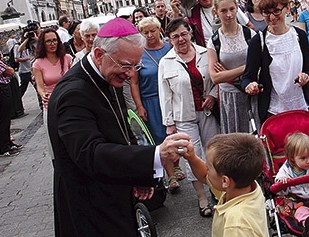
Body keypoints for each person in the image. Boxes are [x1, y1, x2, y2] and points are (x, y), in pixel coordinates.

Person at [47, 17, 192, 236]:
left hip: (114, 193)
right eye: (126, 65)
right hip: (89, 207)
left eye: (136, 65)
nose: (131, 74)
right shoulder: (73, 93)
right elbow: (90, 153)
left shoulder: (109, 74)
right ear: (99, 55)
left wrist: (139, 175)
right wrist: (154, 156)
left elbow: (122, 130)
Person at [158, 17, 220, 217]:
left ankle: (216, 191)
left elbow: (218, 79)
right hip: (183, 116)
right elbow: (165, 95)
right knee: (192, 155)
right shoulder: (165, 62)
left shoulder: (205, 52)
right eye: (175, 36)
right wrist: (169, 124)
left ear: (190, 33)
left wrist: (213, 95)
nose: (181, 39)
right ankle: (202, 197)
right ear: (169, 40)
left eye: (184, 34)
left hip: (208, 112)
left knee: (213, 153)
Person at [241, 0, 309, 123]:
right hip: (273, 111)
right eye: (267, 13)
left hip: (301, 107)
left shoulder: (299, 36)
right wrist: (250, 86)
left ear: (287, 8)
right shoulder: (259, 42)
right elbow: (247, 78)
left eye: (276, 11)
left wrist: (306, 76)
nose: (272, 17)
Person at [130, 16, 184, 192]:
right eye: (145, 32)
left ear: (160, 30)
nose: (149, 35)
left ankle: (176, 165)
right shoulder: (139, 53)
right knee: (159, 138)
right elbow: (134, 83)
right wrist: (139, 106)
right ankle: (171, 175)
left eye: (152, 30)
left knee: (174, 134)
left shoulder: (170, 47)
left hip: (171, 97)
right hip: (151, 100)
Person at [183, 133, 269, 237]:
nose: (205, 168)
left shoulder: (236, 225)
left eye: (209, 167)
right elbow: (204, 175)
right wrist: (192, 158)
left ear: (225, 181)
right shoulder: (246, 187)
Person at [207, 0, 256, 133]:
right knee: (236, 138)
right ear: (216, 12)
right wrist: (245, 68)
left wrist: (227, 74)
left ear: (237, 8)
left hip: (250, 92)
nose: (228, 14)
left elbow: (258, 66)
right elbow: (215, 77)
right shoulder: (214, 41)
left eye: (231, 9)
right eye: (223, 11)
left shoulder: (249, 35)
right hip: (229, 96)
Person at [170, 0, 250, 47]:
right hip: (210, 58)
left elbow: (249, 27)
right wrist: (175, 13)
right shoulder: (193, 14)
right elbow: (179, 36)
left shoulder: (228, 4)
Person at [32, 29, 73, 157]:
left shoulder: (67, 58)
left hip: (69, 102)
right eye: (48, 41)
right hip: (51, 104)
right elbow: (40, 86)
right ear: (43, 44)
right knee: (55, 140)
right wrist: (43, 95)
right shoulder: (38, 63)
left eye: (54, 40)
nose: (52, 44)